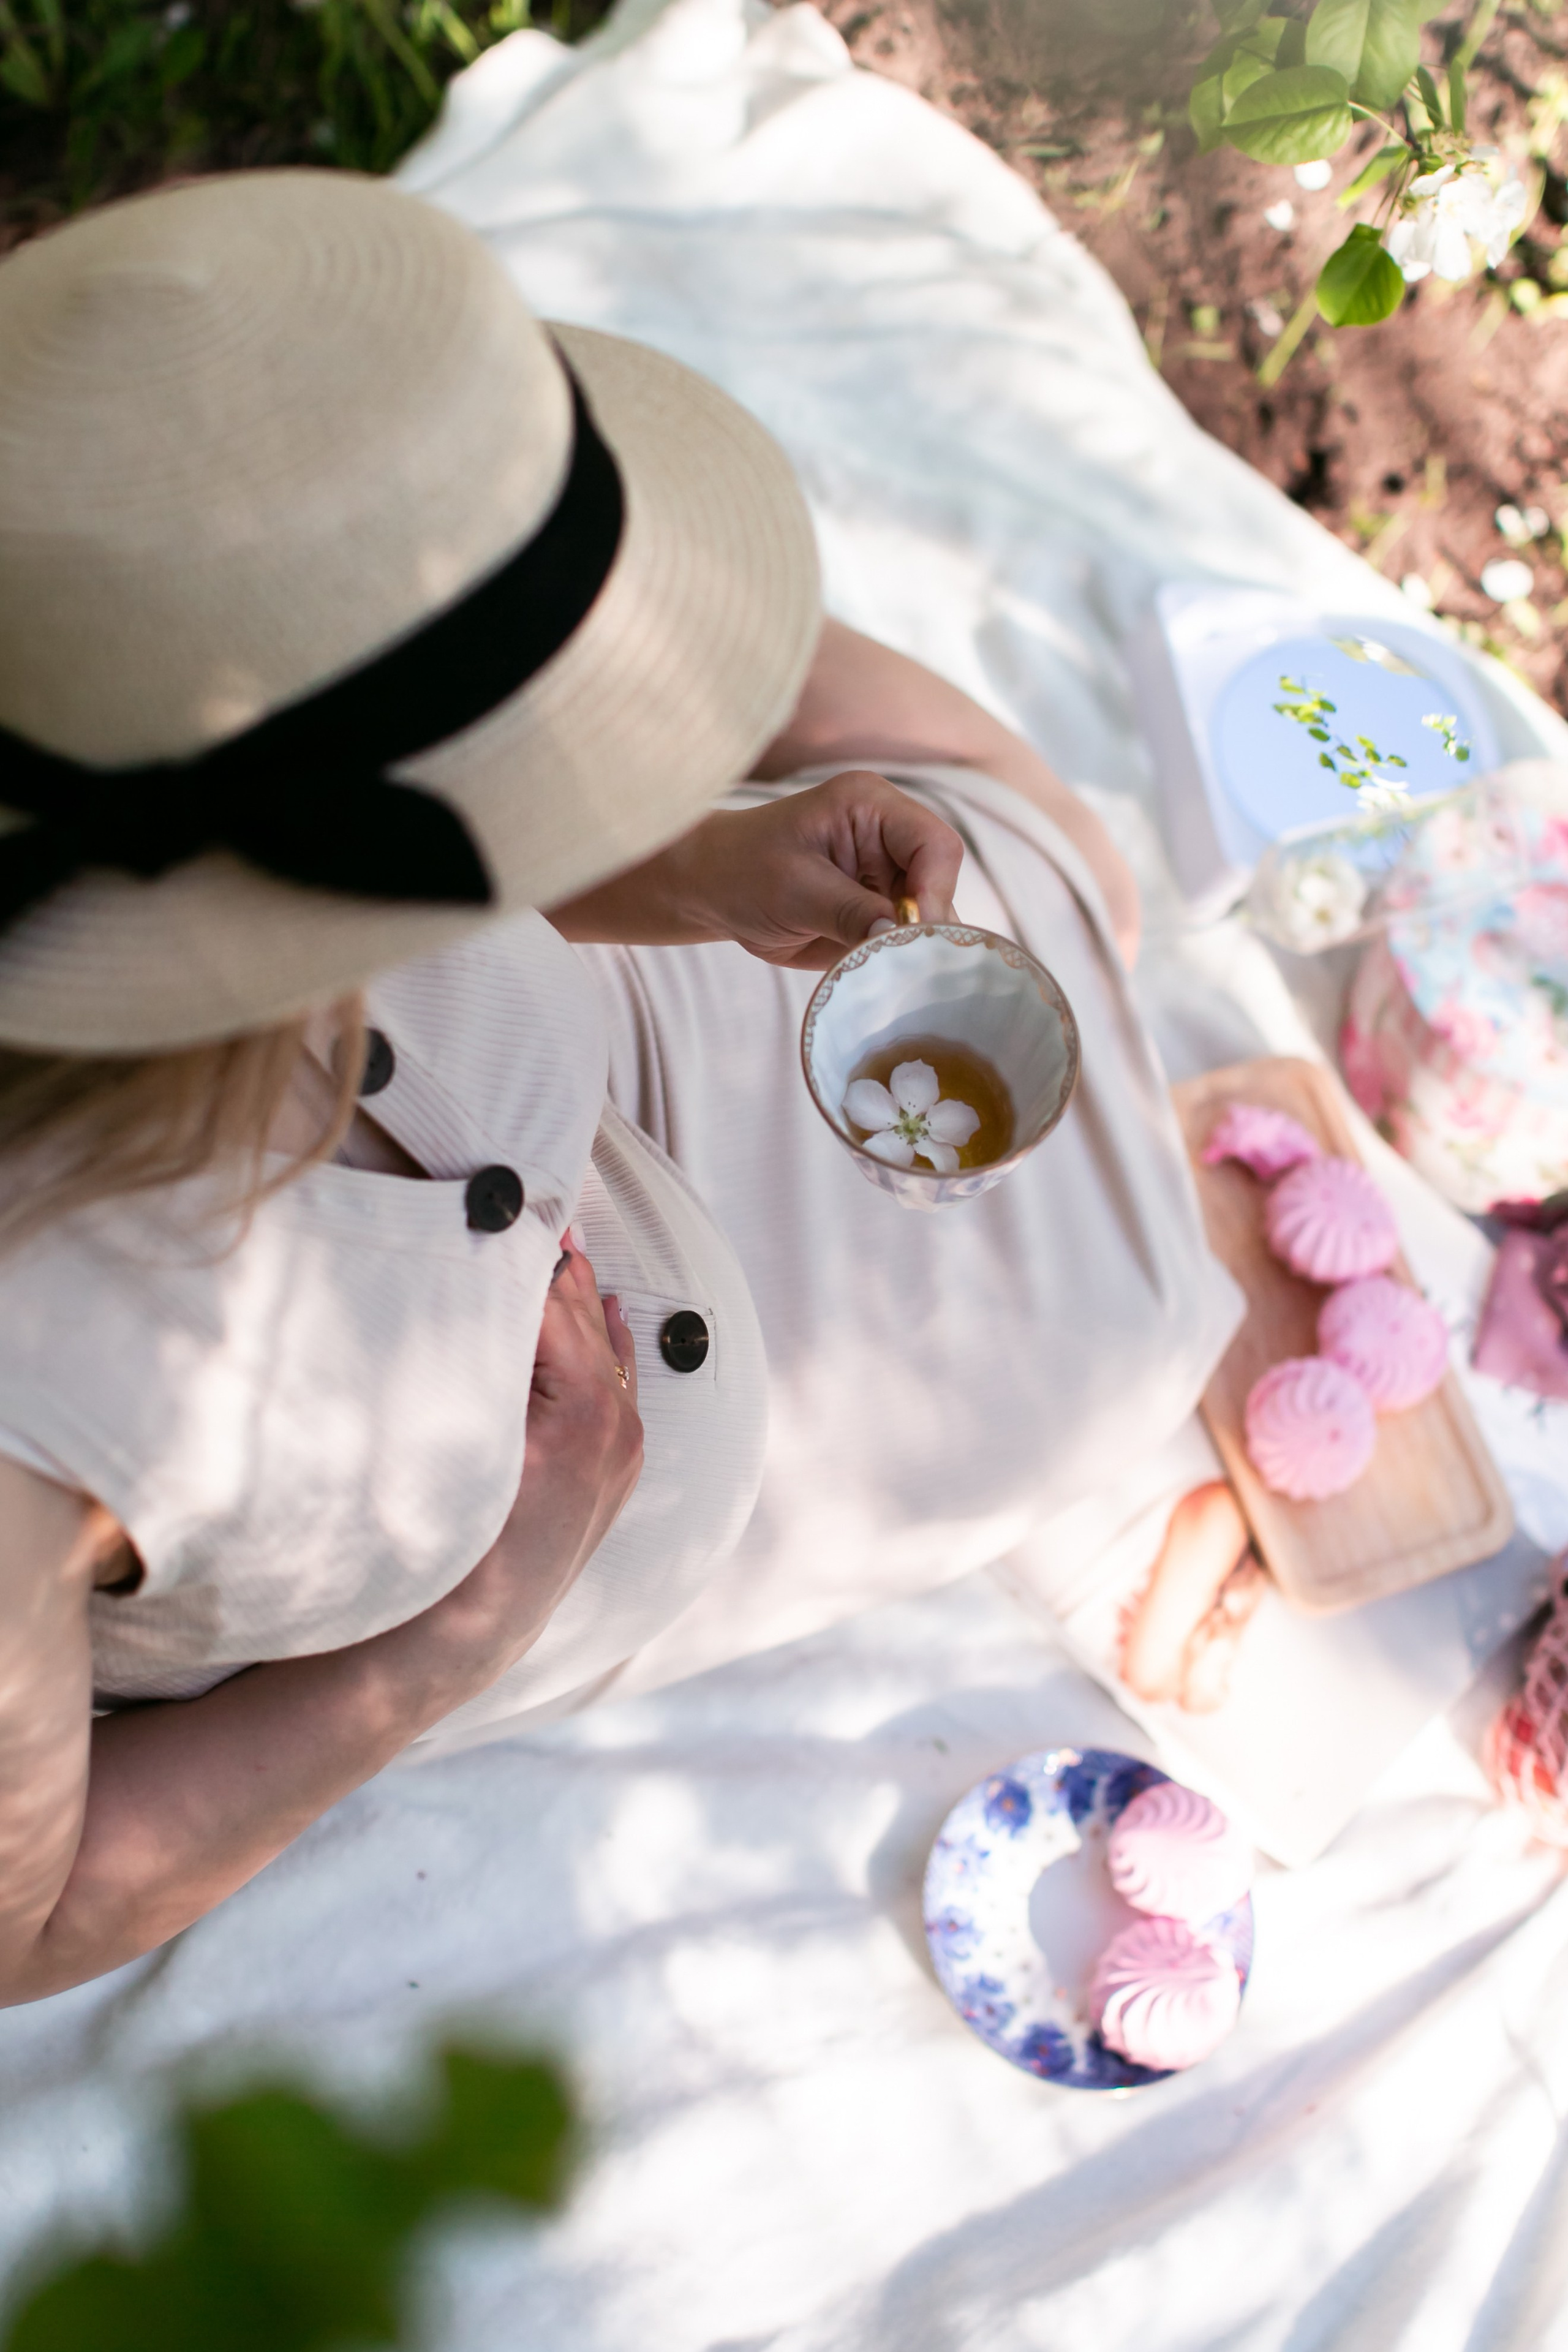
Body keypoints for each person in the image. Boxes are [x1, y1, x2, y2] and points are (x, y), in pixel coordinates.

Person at [0, 170, 1239, 2007]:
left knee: (1060, 890)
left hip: (575, 1102)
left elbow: (379, 852)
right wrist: (468, 1624)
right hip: (581, 1507)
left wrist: (684, 871)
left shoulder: (90, 672)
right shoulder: (53, 1399)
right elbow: (30, 1922)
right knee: (1133, 1328)